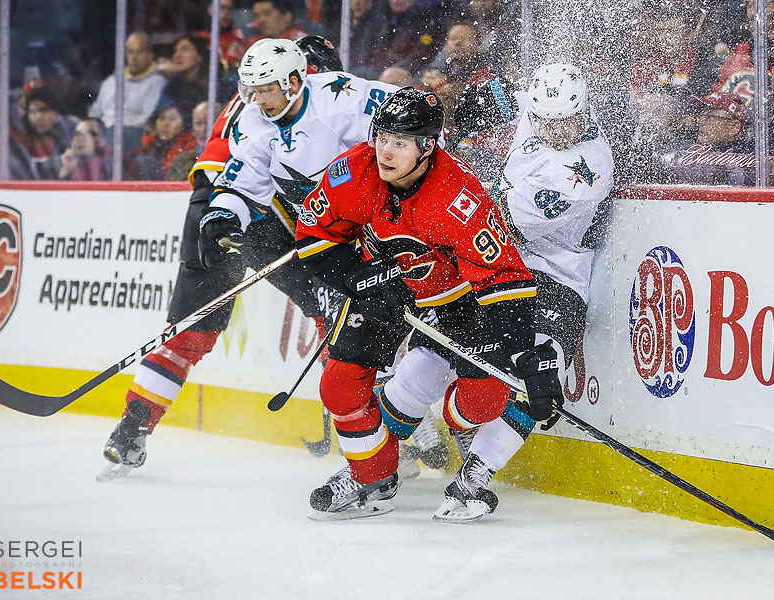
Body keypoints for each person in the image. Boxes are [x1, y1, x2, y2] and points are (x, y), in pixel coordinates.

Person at [99, 38, 398, 478]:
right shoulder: (265, 114)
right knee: (339, 315)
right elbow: (249, 178)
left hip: (223, 213)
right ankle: (387, 424)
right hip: (246, 217)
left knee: (191, 329)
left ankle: (132, 428)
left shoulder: (296, 98)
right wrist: (224, 216)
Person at [295, 86, 564, 520]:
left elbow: (505, 278)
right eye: (382, 136)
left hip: (460, 304)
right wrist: (354, 277)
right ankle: (372, 477)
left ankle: (458, 427)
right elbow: (313, 234)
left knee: (483, 402)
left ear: (427, 147)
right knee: (339, 386)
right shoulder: (353, 170)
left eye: (400, 143)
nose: (385, 151)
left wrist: (522, 350)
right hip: (384, 292)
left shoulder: (457, 198)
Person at [88, 32, 166, 154]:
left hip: (134, 136)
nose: (134, 58)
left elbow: (148, 117)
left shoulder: (157, 82)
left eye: (139, 52)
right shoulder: (111, 81)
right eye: (130, 52)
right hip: (106, 134)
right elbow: (95, 111)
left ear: (150, 55)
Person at [9, 86, 75, 180]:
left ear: (55, 112)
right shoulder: (19, 145)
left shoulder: (69, 142)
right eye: (32, 112)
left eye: (44, 110)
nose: (38, 117)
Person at [124, 105, 197, 180]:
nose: (165, 124)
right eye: (161, 119)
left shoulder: (190, 148)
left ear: (183, 125)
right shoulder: (146, 146)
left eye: (172, 119)